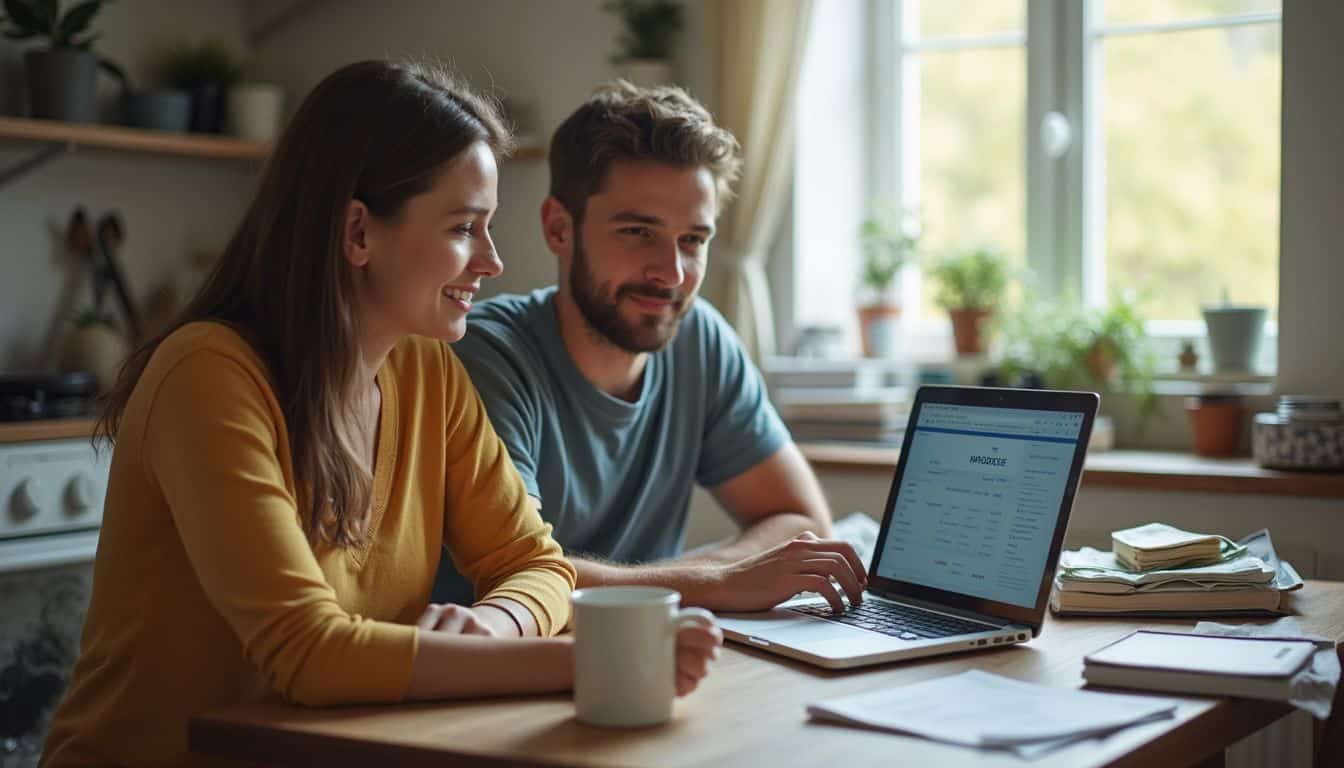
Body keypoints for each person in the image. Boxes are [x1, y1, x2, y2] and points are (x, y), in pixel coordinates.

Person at [40, 61, 720, 768]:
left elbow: (533, 562)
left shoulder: (425, 369)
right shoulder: (207, 377)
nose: (491, 260)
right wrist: (600, 661)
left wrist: (494, 625)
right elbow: (306, 654)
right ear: (359, 232)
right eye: (465, 227)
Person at [434, 81, 867, 614]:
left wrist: (715, 578)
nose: (672, 273)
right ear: (558, 228)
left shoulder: (700, 341)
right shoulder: (485, 357)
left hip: (651, 656)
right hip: (490, 681)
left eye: (693, 240)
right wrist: (726, 581)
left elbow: (803, 524)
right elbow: (519, 574)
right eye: (639, 232)